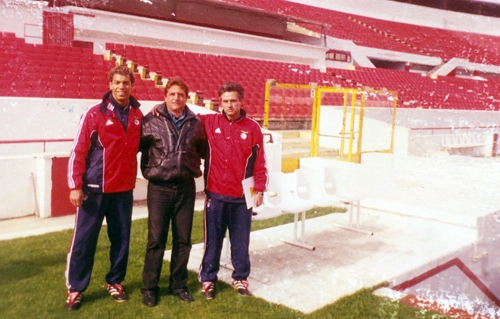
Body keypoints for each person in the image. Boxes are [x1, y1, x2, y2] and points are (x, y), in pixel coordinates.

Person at [65, 65, 143, 311]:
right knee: (84, 240)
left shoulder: (138, 114)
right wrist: (75, 185)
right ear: (110, 84)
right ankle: (76, 288)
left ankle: (115, 281)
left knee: (121, 240)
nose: (122, 87)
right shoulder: (94, 113)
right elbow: (78, 151)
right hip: (93, 189)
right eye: (117, 82)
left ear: (132, 86)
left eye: (126, 83)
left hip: (123, 190)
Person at [140, 78, 207, 307]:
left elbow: (203, 151)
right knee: (156, 240)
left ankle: (178, 285)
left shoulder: (196, 123)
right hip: (159, 189)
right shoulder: (149, 121)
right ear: (165, 96)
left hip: (186, 188)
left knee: (183, 240)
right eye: (172, 94)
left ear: (186, 98)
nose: (176, 98)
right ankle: (149, 288)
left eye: (180, 94)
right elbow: (135, 147)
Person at [198, 81, 268, 300]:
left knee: (240, 241)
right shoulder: (209, 122)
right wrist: (158, 109)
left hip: (241, 196)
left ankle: (240, 278)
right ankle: (208, 279)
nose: (229, 105)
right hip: (215, 195)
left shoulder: (253, 128)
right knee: (212, 241)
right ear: (220, 102)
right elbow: (182, 114)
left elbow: (260, 163)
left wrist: (259, 190)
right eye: (225, 101)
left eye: (233, 101)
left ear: (241, 101)